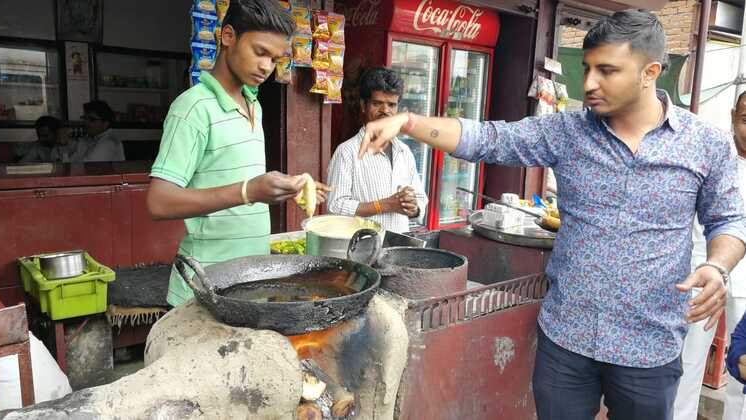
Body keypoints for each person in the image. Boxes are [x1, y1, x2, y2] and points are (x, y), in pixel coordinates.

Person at [358, 10, 746, 420]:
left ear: (649, 72)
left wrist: (717, 266)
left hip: (649, 344)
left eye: (607, 71)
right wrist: (408, 121)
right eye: (587, 68)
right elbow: (488, 138)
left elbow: (729, 220)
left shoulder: (705, 144)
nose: (589, 83)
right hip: (567, 340)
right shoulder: (568, 132)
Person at [146, 0, 328, 307]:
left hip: (248, 284)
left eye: (275, 59)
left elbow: (237, 178)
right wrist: (249, 191)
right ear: (229, 36)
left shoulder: (252, 104)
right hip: (204, 289)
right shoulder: (193, 108)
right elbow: (159, 202)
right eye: (260, 52)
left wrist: (283, 187)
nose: (267, 67)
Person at [675, 90, 746, 420]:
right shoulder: (712, 154)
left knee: (743, 363)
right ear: (733, 116)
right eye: (745, 119)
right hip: (703, 268)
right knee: (688, 359)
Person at [326, 67, 428, 233]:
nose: (385, 111)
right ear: (363, 106)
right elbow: (335, 206)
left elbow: (421, 200)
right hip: (362, 246)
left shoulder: (404, 152)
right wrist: (385, 205)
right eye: (377, 103)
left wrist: (413, 207)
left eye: (391, 105)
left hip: (399, 243)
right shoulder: (347, 152)